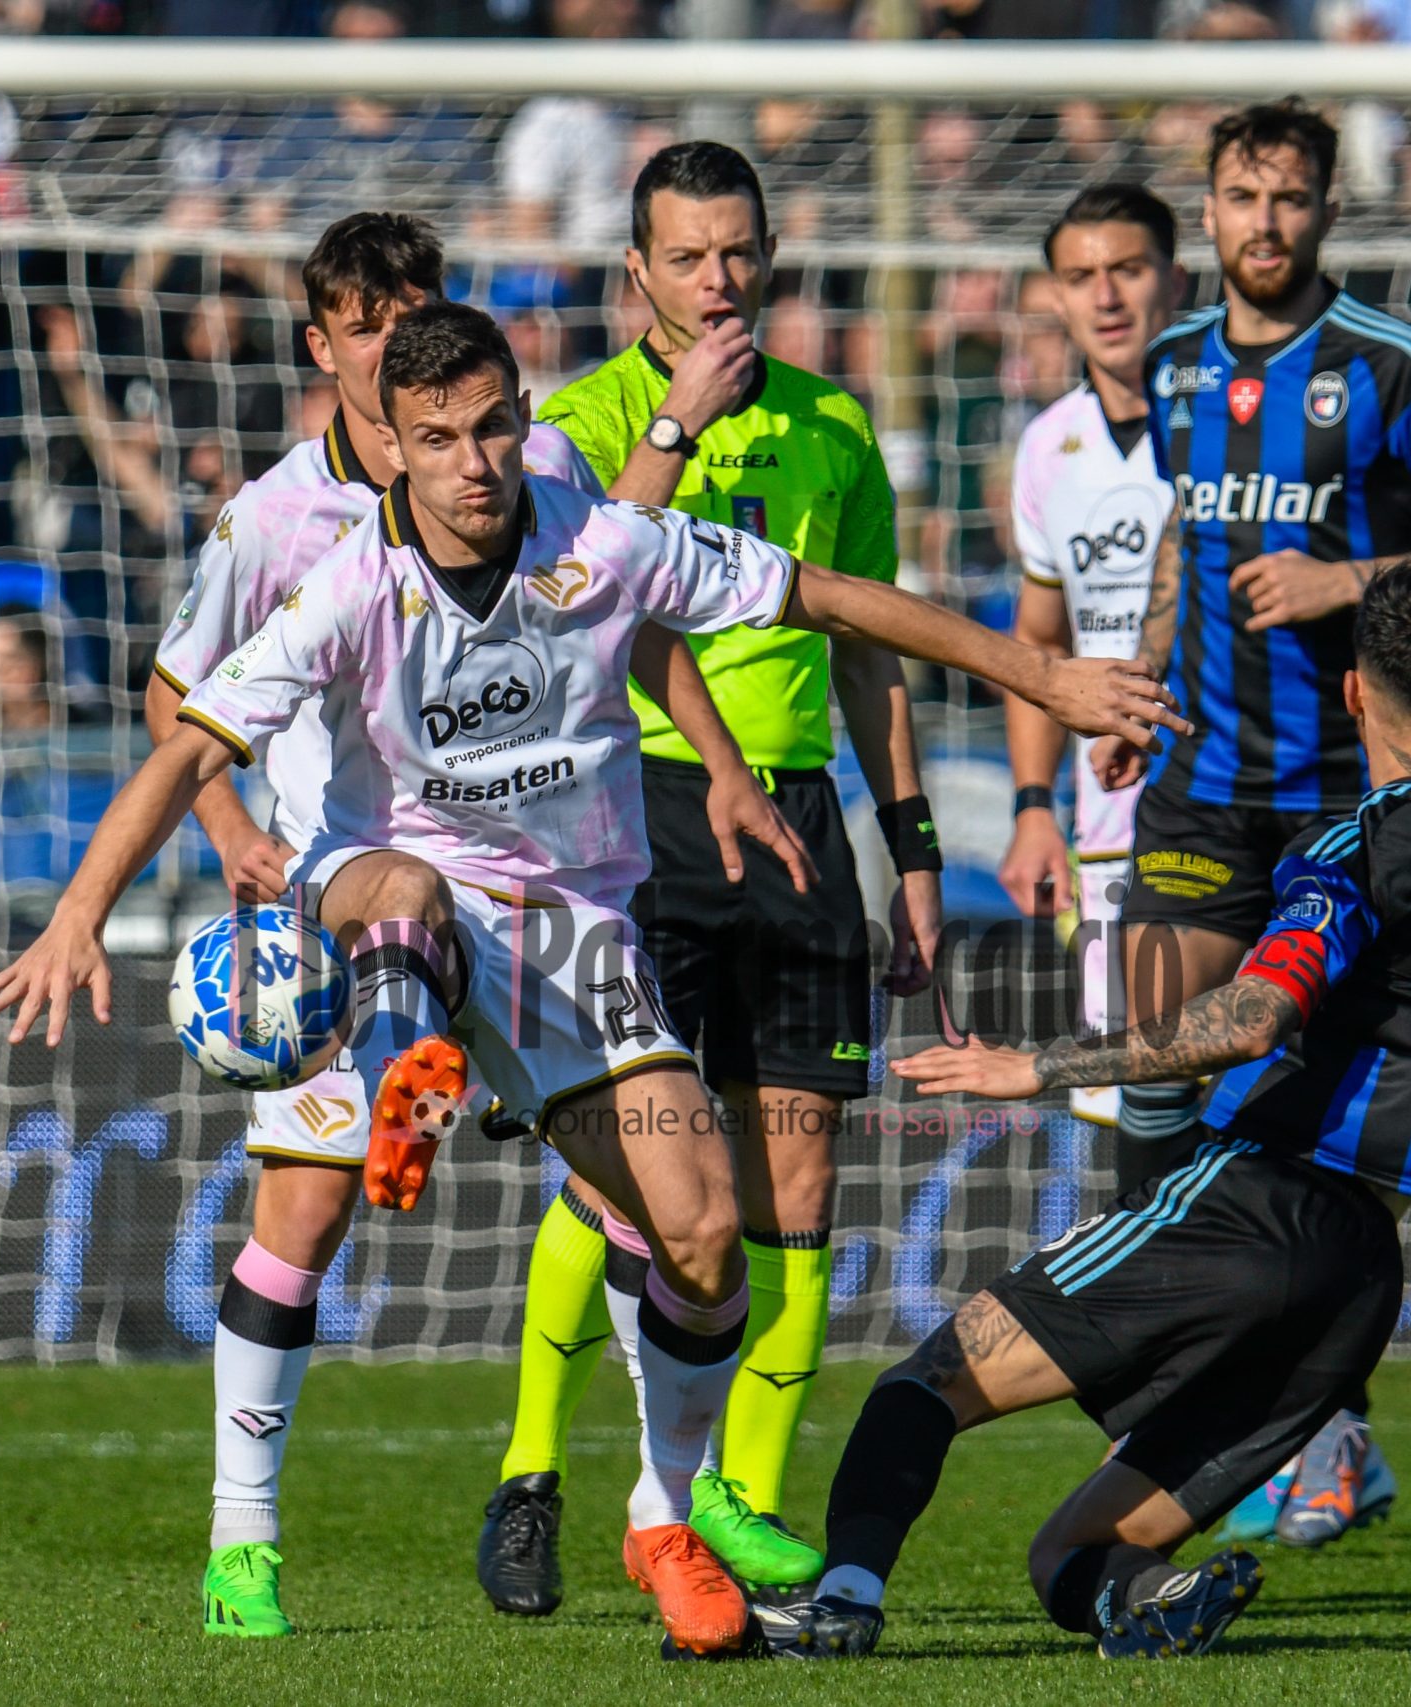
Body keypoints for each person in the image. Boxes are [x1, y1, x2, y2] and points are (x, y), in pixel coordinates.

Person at [0, 302, 1184, 1658]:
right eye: (438, 438)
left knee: (707, 1230)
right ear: (400, 456)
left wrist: (1043, 673)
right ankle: (395, 1102)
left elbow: (827, 597)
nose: (475, 460)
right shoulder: (346, 587)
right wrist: (82, 911)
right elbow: (187, 745)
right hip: (387, 901)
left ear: (519, 416)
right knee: (399, 919)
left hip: (573, 941)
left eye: (494, 424)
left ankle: (668, 1509)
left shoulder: (601, 538)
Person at [136, 211, 778, 1642]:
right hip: (349, 898)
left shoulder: (520, 465)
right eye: (360, 321)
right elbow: (179, 692)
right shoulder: (271, 519)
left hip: (543, 891)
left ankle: (668, 1510)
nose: (386, 338)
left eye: (411, 309)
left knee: (649, 1198)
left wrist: (725, 766)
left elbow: (615, 602)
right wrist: (234, 833)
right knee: (307, 1211)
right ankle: (245, 1540)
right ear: (322, 347)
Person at [760, 566, 1411, 1661]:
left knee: (926, 1384)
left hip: (1248, 1201)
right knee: (1071, 1561)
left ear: (1350, 697)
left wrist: (1037, 1067)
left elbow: (1250, 1018)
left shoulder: (1352, 850)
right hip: (1360, 1273)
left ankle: (844, 1601)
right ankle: (1149, 1602)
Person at [479, 140, 932, 1613]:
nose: (720, 279)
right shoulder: (583, 417)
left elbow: (870, 646)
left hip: (795, 824)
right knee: (635, 1176)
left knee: (797, 1177)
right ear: (638, 275)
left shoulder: (835, 428)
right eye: (688, 256)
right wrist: (678, 422)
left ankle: (727, 1500)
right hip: (633, 810)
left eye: (739, 252)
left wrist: (909, 842)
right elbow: (570, 600)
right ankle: (535, 1469)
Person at [1126, 99, 1411, 1546]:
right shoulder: (1170, 362)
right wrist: (1135, 668)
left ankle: (1323, 1429)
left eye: (1291, 199)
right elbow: (1192, 531)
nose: (1265, 222)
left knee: (1306, 1140)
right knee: (1151, 1091)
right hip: (1192, 786)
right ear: (1211, 204)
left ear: (1328, 212)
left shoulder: (1389, 363)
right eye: (1242, 194)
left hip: (1343, 813)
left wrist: (1350, 578)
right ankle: (1192, 1419)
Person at [997, 181, 1185, 1145]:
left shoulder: (1242, 423)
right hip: (1107, 836)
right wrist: (1034, 806)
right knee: (1135, 1127)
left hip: (1248, 810)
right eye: (1081, 277)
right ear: (1057, 298)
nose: (1106, 296)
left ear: (1177, 276)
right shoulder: (1046, 448)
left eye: (1127, 269)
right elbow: (1038, 644)